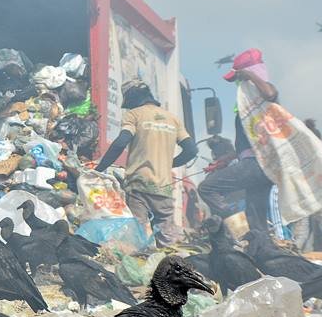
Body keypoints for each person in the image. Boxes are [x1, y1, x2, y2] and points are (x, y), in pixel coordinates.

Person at [95, 79, 197, 246]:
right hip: (164, 188)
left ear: (132, 98)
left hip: (139, 186)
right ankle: (172, 269)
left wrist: (100, 168)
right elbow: (192, 150)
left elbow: (121, 142)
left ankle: (142, 268)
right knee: (168, 239)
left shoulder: (134, 115)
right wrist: (167, 164)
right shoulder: (173, 119)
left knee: (138, 237)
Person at [198, 48, 278, 234]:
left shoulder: (265, 97)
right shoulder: (248, 106)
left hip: (256, 165)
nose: (238, 84)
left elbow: (271, 93)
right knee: (256, 218)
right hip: (259, 166)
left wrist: (249, 75)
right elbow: (249, 143)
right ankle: (260, 248)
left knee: (207, 188)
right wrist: (226, 159)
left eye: (239, 79)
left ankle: (236, 224)